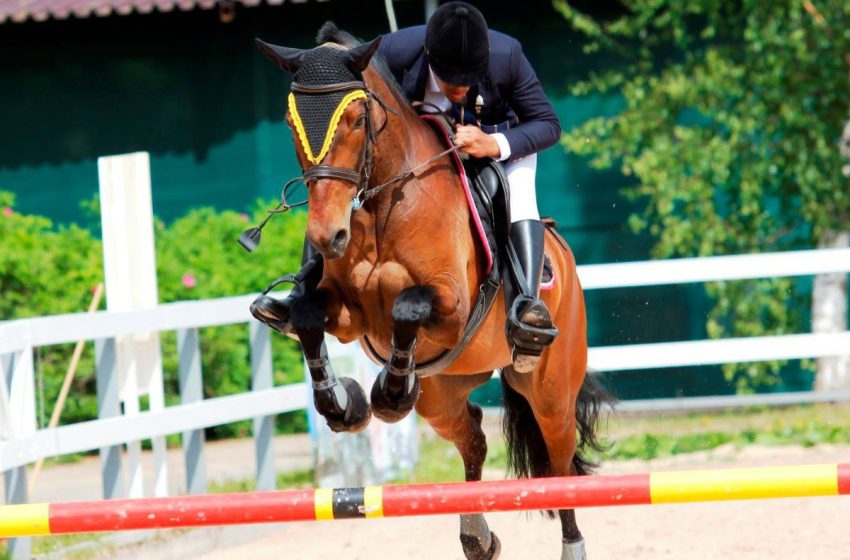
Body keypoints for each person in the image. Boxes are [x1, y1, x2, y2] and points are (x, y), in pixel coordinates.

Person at [251, 1, 561, 371]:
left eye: (468, 79)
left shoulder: (507, 56)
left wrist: (494, 143)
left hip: (498, 145)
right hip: (426, 152)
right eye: (449, 79)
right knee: (338, 188)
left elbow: (547, 123)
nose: (459, 87)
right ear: (429, 55)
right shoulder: (395, 54)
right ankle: (303, 290)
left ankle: (525, 308)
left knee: (519, 194)